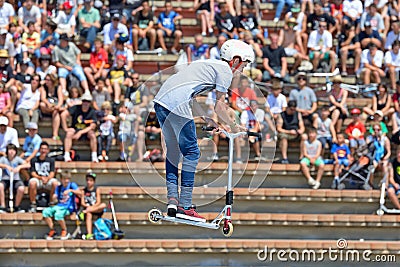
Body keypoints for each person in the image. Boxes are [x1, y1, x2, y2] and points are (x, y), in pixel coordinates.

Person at [153, 39, 253, 221]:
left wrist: (207, 119)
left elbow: (190, 96)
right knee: (192, 153)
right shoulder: (225, 71)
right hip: (176, 103)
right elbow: (220, 107)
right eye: (243, 66)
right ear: (235, 60)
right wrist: (234, 126)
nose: (243, 70)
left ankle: (173, 201)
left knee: (174, 152)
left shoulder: (208, 64)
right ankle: (185, 205)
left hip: (161, 101)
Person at [42, 171, 81, 240]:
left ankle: (64, 230)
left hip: (68, 207)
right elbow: (55, 195)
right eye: (64, 179)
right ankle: (52, 230)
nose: (66, 181)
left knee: (58, 214)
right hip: (59, 206)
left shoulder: (72, 185)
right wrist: (54, 197)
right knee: (46, 212)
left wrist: (71, 191)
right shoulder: (59, 187)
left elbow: (80, 193)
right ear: (61, 179)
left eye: (68, 179)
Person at [61, 94, 98, 163]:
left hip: (86, 131)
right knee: (69, 133)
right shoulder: (75, 108)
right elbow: (63, 114)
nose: (85, 103)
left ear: (90, 103)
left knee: (92, 135)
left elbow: (92, 126)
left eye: (87, 101)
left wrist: (80, 133)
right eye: (84, 101)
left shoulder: (92, 111)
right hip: (75, 129)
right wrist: (65, 128)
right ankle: (66, 155)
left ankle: (94, 156)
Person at [28, 141, 58, 213]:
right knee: (32, 183)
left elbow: (52, 172)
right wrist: (40, 178)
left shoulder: (51, 160)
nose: (43, 151)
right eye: (42, 149)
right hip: (38, 179)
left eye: (45, 149)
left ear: (48, 150)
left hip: (48, 179)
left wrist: (47, 178)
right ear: (39, 150)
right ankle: (33, 204)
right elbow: (33, 173)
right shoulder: (34, 160)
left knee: (55, 183)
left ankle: (51, 202)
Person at [0, 143, 30, 213]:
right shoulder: (4, 159)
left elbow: (28, 165)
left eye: (13, 150)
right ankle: (2, 206)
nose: (11, 152)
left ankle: (16, 206)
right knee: (0, 186)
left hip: (16, 179)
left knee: (21, 188)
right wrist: (6, 166)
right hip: (6, 179)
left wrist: (19, 167)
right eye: (10, 150)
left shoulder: (17, 159)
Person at [80, 172, 107, 240]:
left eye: (91, 180)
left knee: (103, 205)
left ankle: (86, 211)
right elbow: (82, 202)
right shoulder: (84, 191)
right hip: (88, 208)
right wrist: (87, 207)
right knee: (89, 215)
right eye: (87, 180)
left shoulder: (97, 190)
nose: (89, 182)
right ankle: (89, 234)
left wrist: (92, 207)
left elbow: (98, 202)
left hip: (95, 208)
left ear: (94, 182)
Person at [367, 122, 391, 186]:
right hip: (374, 158)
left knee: (384, 165)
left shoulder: (385, 139)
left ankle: (385, 184)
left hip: (383, 157)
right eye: (374, 130)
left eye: (378, 130)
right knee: (372, 168)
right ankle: (370, 184)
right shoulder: (370, 138)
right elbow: (367, 147)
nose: (376, 131)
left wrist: (385, 158)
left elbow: (389, 152)